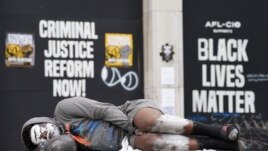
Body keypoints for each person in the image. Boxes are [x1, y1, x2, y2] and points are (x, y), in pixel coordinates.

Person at [21, 97, 246, 151]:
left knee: (152, 123)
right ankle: (219, 144)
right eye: (40, 138)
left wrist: (130, 126)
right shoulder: (67, 147)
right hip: (126, 141)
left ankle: (217, 130)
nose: (44, 134)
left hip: (128, 113)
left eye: (39, 130)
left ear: (43, 121)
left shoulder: (64, 109)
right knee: (154, 142)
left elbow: (104, 110)